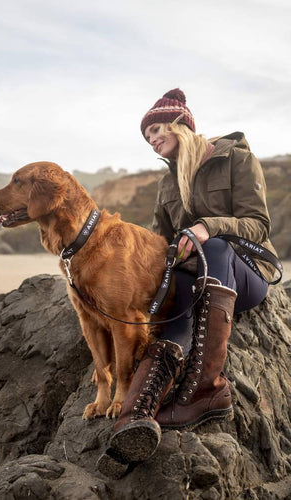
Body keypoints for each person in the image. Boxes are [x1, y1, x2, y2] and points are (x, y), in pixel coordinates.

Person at [97, 88, 279, 479]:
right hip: (193, 278)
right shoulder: (166, 185)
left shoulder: (237, 159)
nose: (152, 140)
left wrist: (205, 227)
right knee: (176, 304)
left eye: (156, 130)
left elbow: (259, 224)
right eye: (147, 138)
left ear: (181, 124)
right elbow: (157, 243)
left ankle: (206, 388)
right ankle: (134, 417)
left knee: (214, 248)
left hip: (246, 272)